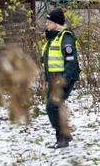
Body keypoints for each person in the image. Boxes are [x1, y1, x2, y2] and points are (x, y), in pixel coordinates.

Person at [41, 8, 80, 148]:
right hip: (53, 78)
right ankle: (62, 139)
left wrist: (64, 79)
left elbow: (71, 62)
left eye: (49, 21)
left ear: (56, 24)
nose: (46, 24)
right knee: (56, 107)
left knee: (52, 107)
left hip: (63, 78)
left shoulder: (66, 38)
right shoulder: (52, 38)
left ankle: (64, 136)